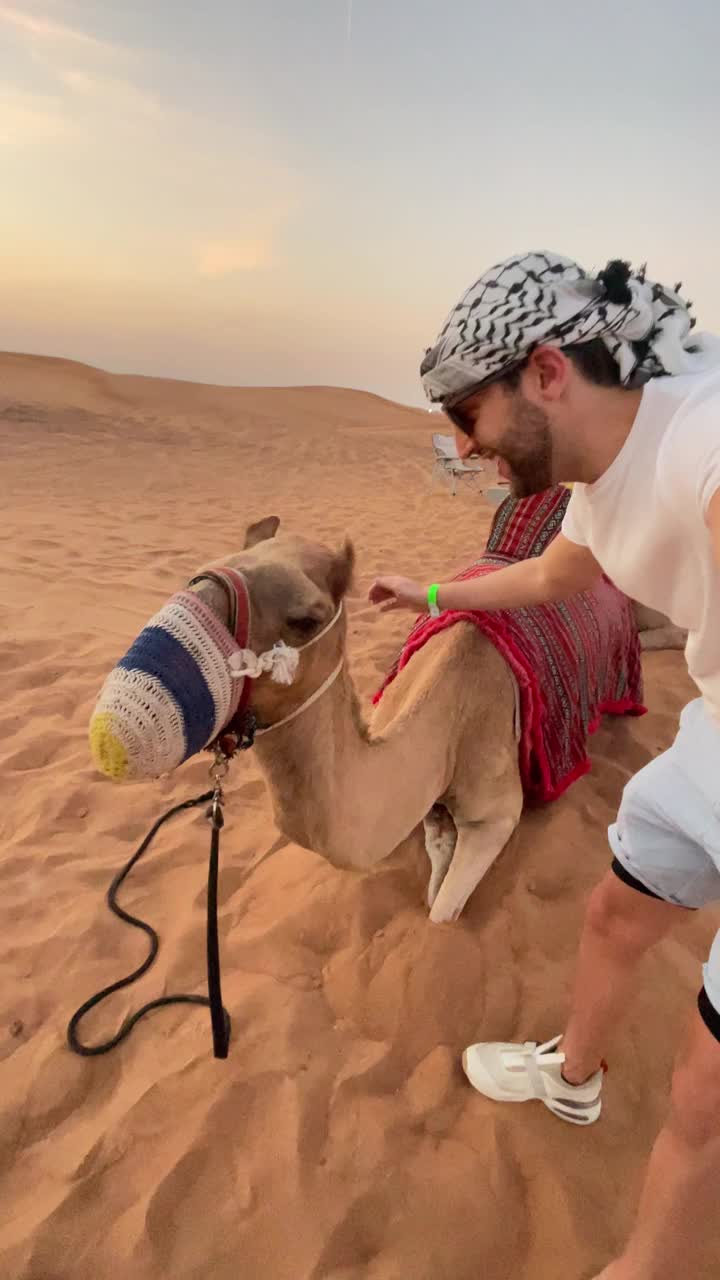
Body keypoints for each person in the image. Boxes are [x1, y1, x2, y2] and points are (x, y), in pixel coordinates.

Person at [369, 252, 720, 1280]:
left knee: (702, 1097)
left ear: (546, 370)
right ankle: (574, 1074)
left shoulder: (698, 438)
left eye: (470, 413)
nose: (466, 446)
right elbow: (554, 573)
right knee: (618, 912)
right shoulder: (599, 480)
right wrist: (433, 595)